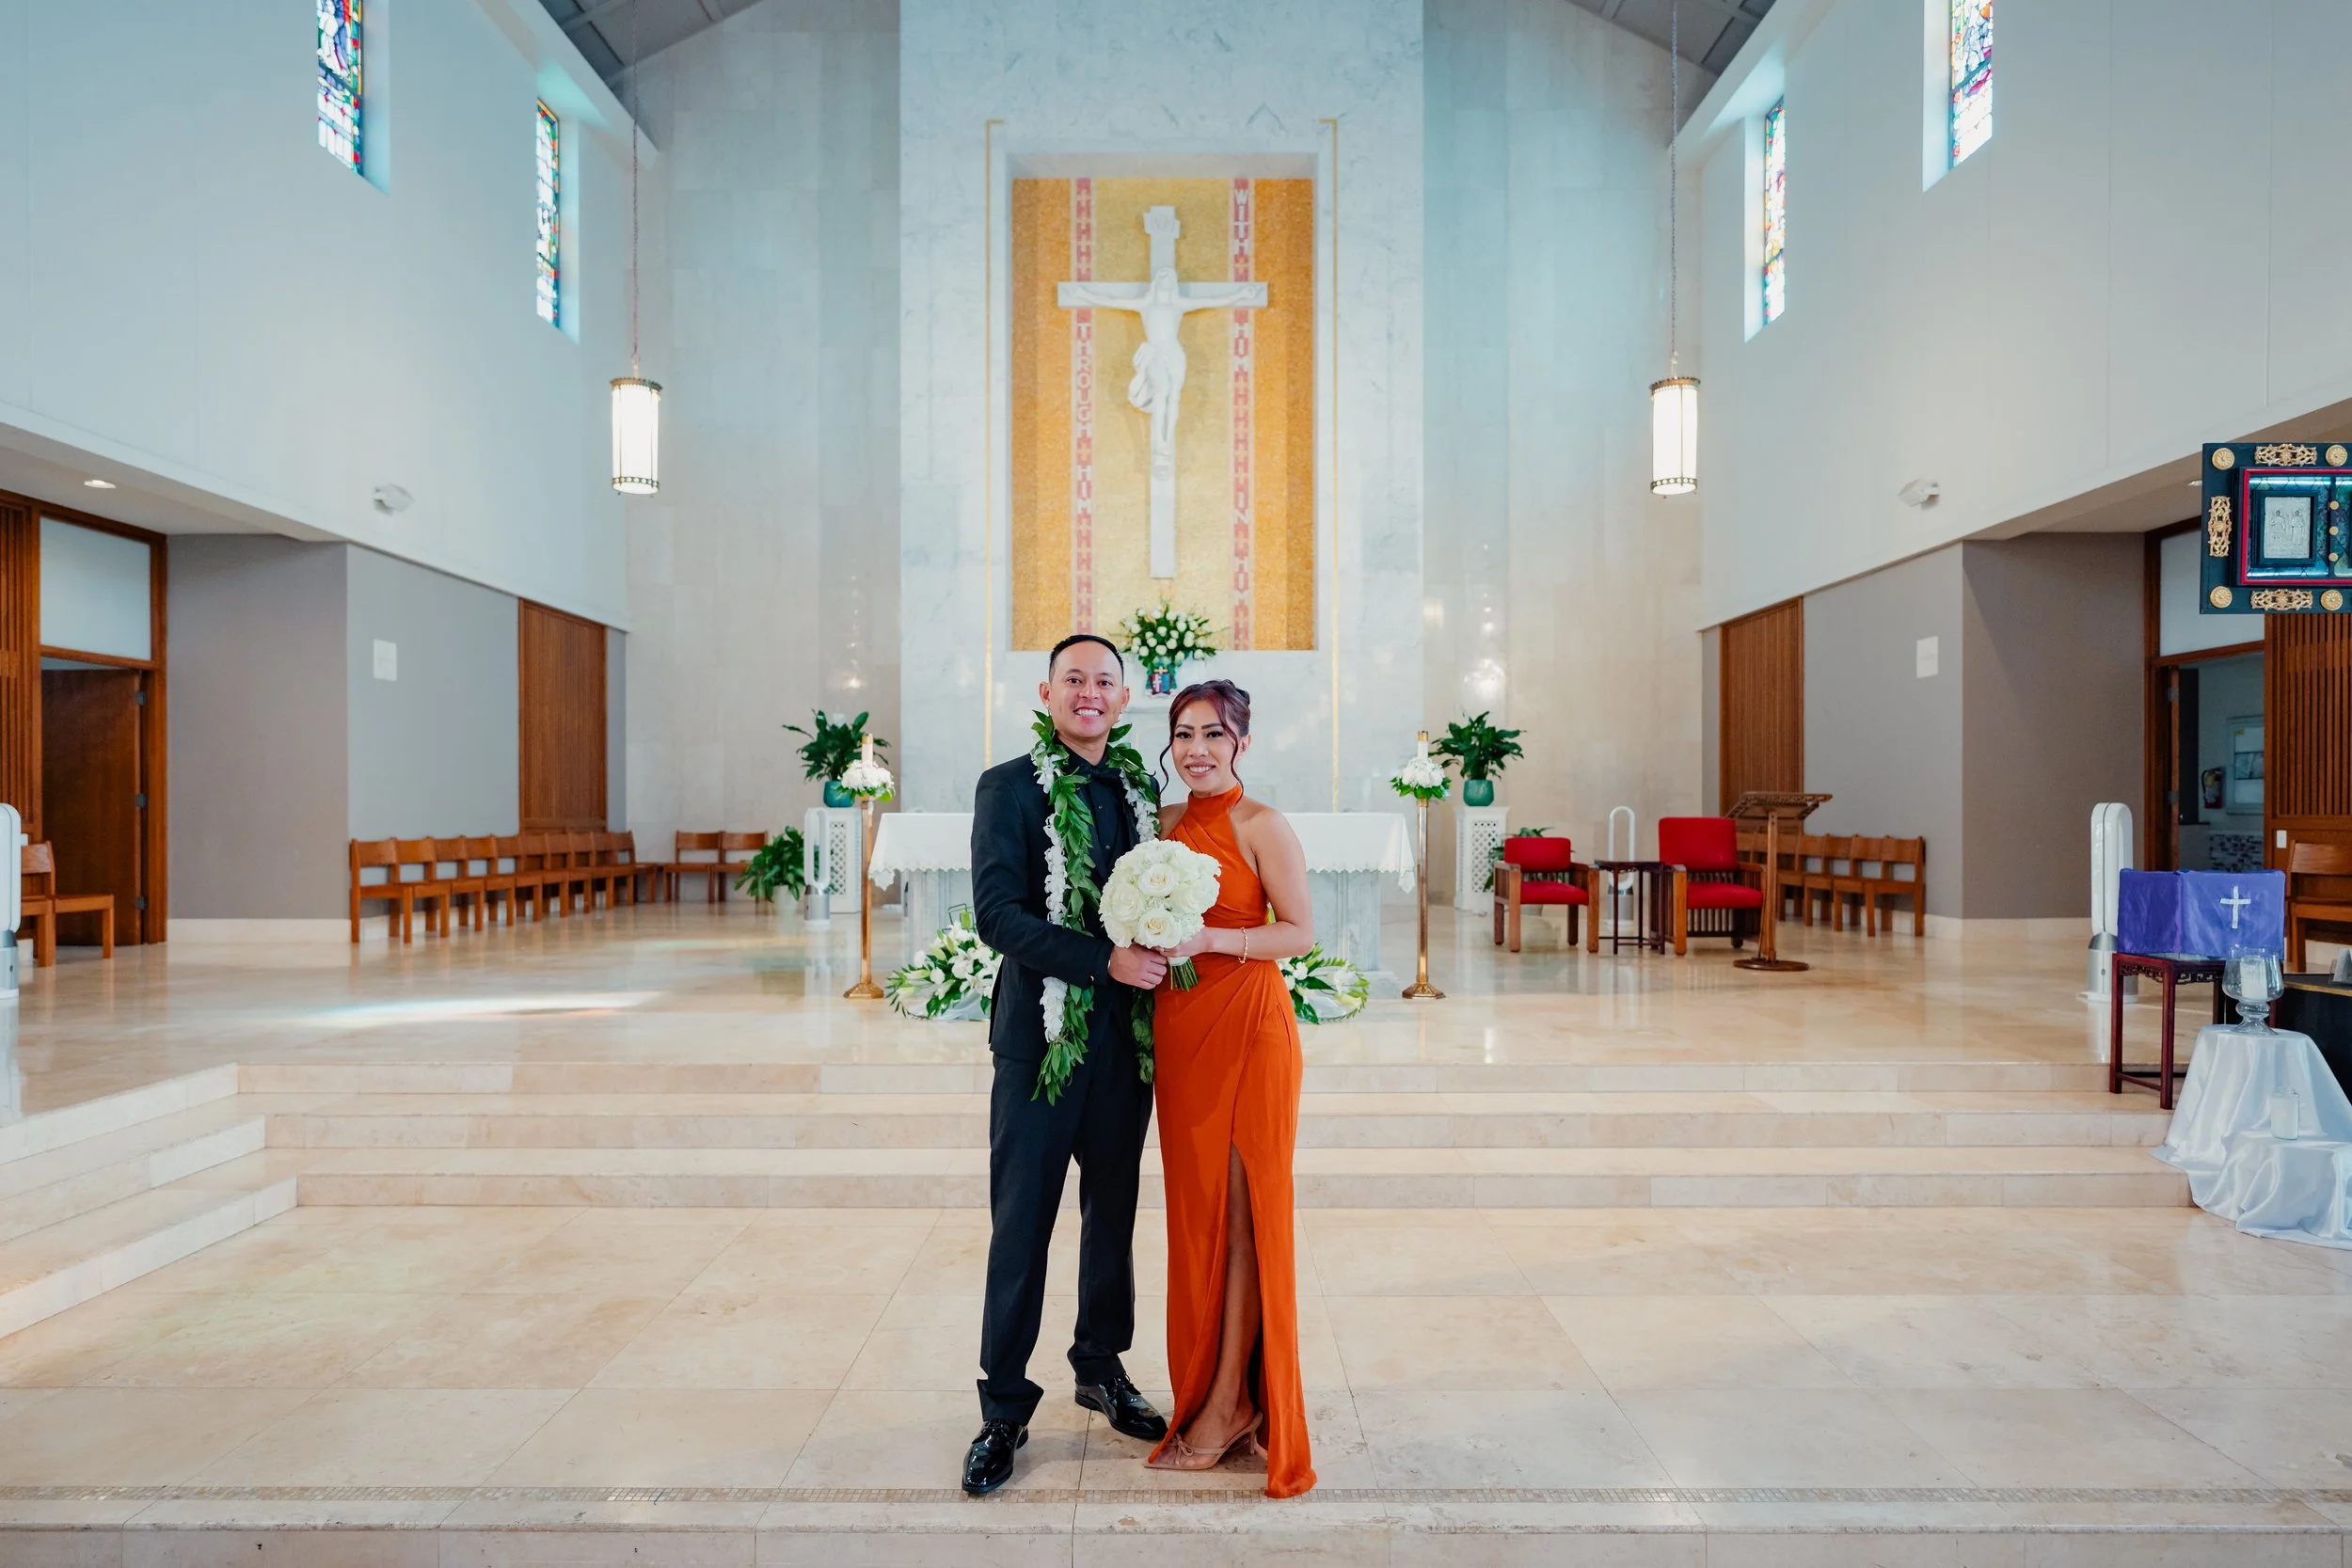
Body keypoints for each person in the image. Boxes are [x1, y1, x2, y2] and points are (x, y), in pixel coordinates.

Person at [961, 634, 1171, 1496]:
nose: (1089, 693)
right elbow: (998, 916)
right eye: (1074, 679)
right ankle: (1003, 1407)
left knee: (1112, 1214)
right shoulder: (1007, 786)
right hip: (1039, 1045)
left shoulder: (1141, 790)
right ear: (1047, 690)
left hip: (1124, 1047)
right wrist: (1101, 961)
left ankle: (1101, 1364)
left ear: (1125, 700)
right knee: (1021, 1226)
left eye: (1104, 682)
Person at [1144, 680, 1317, 1497]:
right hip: (1181, 1039)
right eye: (1184, 734)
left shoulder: (1261, 825)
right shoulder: (1167, 825)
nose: (1197, 749)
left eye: (1214, 734)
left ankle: (1230, 1404)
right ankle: (1215, 1387)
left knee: (1246, 1220)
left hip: (1249, 1030)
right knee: (1200, 1218)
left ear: (1241, 742)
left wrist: (1210, 934)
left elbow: (1300, 932)